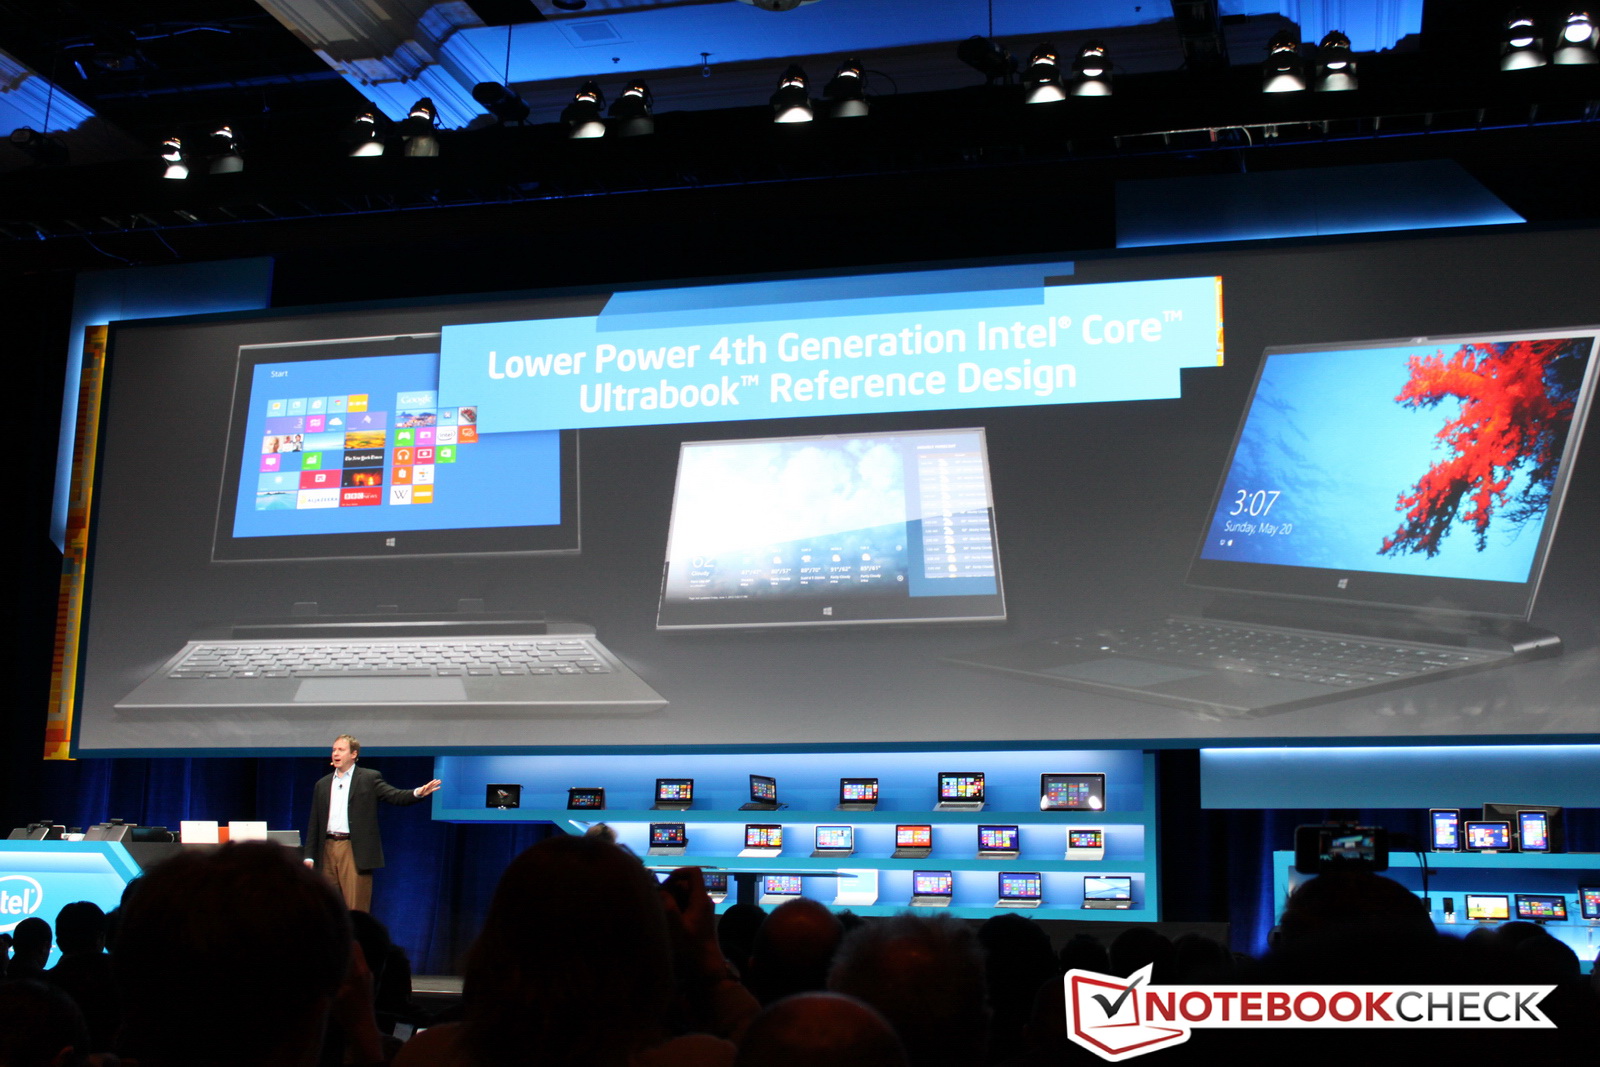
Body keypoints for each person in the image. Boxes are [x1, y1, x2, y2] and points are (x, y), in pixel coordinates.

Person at [306, 734, 441, 911]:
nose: (335, 753)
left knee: (356, 907)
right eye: (334, 750)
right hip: (327, 849)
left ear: (353, 754)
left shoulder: (368, 778)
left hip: (353, 849)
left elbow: (394, 795)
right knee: (326, 907)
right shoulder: (322, 784)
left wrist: (417, 793)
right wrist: (309, 856)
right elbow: (314, 822)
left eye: (341, 750)